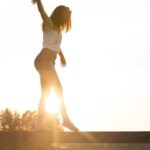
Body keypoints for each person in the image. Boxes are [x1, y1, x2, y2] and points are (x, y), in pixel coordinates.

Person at [32, 0, 78, 131]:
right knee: (59, 89)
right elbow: (42, 12)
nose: (66, 19)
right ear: (59, 15)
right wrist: (39, 1)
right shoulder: (49, 24)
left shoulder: (57, 29)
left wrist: (62, 56)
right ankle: (66, 120)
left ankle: (39, 125)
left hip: (47, 61)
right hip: (44, 60)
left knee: (45, 94)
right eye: (65, 16)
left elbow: (55, 45)